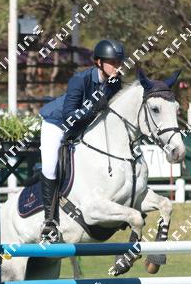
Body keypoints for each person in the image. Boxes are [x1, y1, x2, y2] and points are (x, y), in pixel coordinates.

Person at [37, 39, 125, 241]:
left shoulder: (115, 82)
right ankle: (50, 221)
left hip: (84, 126)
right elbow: (69, 115)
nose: (117, 67)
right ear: (99, 62)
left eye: (119, 62)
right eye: (113, 62)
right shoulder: (79, 80)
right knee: (50, 166)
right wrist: (93, 108)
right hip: (57, 124)